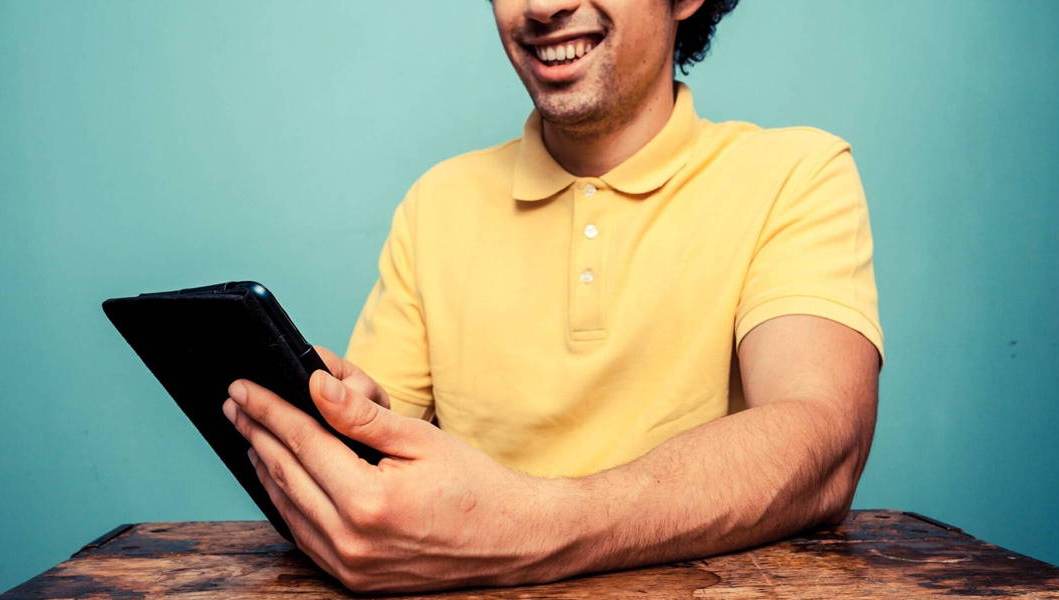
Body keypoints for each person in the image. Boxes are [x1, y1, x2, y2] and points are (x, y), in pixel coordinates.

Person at [221, 0, 883, 593]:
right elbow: (374, 466)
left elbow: (822, 440)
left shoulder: (796, 175)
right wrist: (353, 430)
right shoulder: (439, 202)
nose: (541, 6)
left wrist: (530, 527)